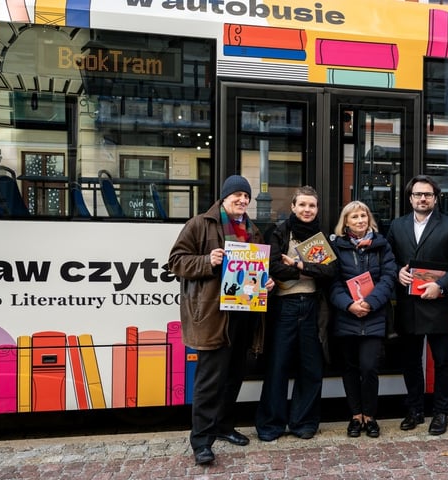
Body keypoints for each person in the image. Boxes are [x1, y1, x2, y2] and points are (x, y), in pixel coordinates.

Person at [168, 175, 275, 466]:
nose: (242, 200)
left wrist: (266, 282)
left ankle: (224, 427)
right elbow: (175, 261)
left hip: (245, 315)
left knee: (234, 376)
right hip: (214, 316)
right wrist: (208, 260)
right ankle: (202, 442)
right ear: (224, 197)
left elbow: (256, 272)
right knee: (209, 381)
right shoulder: (200, 224)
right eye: (237, 195)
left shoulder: (253, 230)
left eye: (246, 196)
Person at [386, 175, 448, 435]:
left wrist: (441, 285)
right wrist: (396, 273)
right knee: (410, 361)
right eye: (417, 194)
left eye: (427, 194)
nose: (422, 198)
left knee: (442, 361)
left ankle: (441, 413)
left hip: (437, 304)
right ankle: (415, 410)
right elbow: (387, 259)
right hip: (408, 305)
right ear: (410, 198)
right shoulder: (397, 225)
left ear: (436, 198)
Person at [255, 186, 336, 441]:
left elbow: (330, 272)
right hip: (284, 307)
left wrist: (299, 265)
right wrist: (308, 271)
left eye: (312, 205)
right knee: (277, 367)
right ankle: (271, 425)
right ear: (293, 206)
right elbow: (273, 267)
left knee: (310, 368)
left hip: (312, 307)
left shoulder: (321, 237)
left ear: (317, 209)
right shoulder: (279, 232)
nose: (307, 210)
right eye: (302, 205)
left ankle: (304, 423)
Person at [328, 201, 397, 439]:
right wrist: (349, 305)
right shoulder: (336, 247)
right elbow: (332, 282)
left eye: (363, 216)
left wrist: (369, 303)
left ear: (369, 219)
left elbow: (389, 277)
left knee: (369, 368)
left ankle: (370, 415)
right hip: (346, 316)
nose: (360, 220)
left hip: (373, 316)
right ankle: (356, 416)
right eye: (354, 217)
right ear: (346, 222)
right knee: (349, 368)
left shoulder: (382, 245)